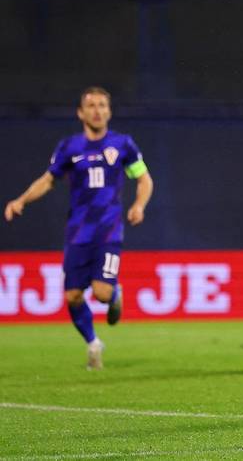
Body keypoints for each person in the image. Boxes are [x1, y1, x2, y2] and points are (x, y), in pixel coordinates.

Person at [4, 87, 153, 370]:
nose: (97, 110)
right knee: (72, 295)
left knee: (102, 293)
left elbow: (144, 179)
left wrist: (139, 205)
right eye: (91, 105)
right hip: (78, 232)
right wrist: (21, 200)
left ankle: (115, 295)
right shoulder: (69, 147)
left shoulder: (123, 145)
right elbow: (48, 180)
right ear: (80, 113)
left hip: (108, 230)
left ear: (109, 111)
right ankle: (93, 343)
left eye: (102, 105)